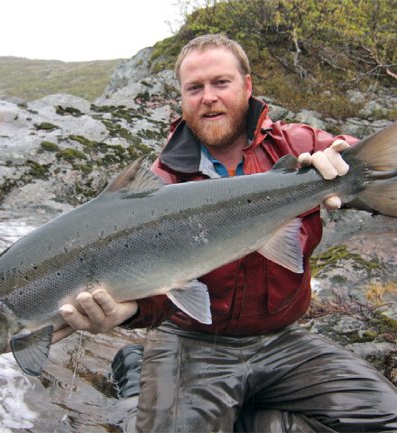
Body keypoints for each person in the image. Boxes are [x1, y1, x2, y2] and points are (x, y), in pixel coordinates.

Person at [55, 34, 397, 432]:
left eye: (221, 83)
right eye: (194, 88)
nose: (208, 97)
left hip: (282, 339)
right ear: (182, 98)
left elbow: (379, 169)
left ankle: (255, 418)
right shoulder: (162, 184)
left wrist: (340, 169)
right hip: (193, 342)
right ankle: (136, 382)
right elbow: (158, 293)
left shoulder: (299, 145)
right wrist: (127, 312)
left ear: (247, 87)